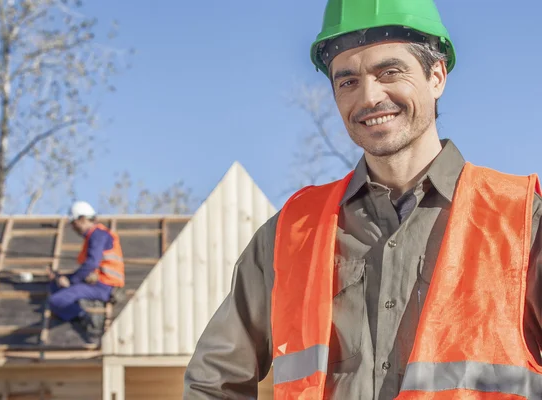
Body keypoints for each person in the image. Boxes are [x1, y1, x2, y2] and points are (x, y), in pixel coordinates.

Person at [183, 0, 542, 398]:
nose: (369, 97)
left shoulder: (522, 219)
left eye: (389, 71)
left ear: (436, 75)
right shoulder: (292, 232)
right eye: (348, 80)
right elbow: (213, 380)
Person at [47, 201, 125, 338]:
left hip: (104, 285)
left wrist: (72, 282)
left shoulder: (98, 235)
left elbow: (92, 263)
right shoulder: (94, 236)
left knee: (56, 300)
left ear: (82, 219)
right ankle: (76, 311)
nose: (73, 227)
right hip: (97, 282)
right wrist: (63, 278)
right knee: (55, 285)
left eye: (74, 223)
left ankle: (84, 318)